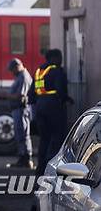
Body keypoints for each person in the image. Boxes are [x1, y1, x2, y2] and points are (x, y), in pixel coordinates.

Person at [29, 48, 69, 177]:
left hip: (40, 108)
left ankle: (39, 171)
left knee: (44, 140)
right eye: (60, 57)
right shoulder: (57, 71)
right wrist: (65, 99)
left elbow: (31, 95)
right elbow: (61, 92)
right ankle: (52, 173)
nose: (61, 61)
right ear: (54, 58)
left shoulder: (39, 72)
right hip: (54, 109)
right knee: (57, 139)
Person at [0, 58, 33, 168]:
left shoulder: (23, 76)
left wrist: (5, 95)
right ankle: (22, 158)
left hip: (21, 109)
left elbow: (21, 96)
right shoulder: (20, 76)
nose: (11, 72)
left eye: (12, 70)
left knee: (23, 134)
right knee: (20, 135)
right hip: (18, 110)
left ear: (17, 66)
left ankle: (26, 159)